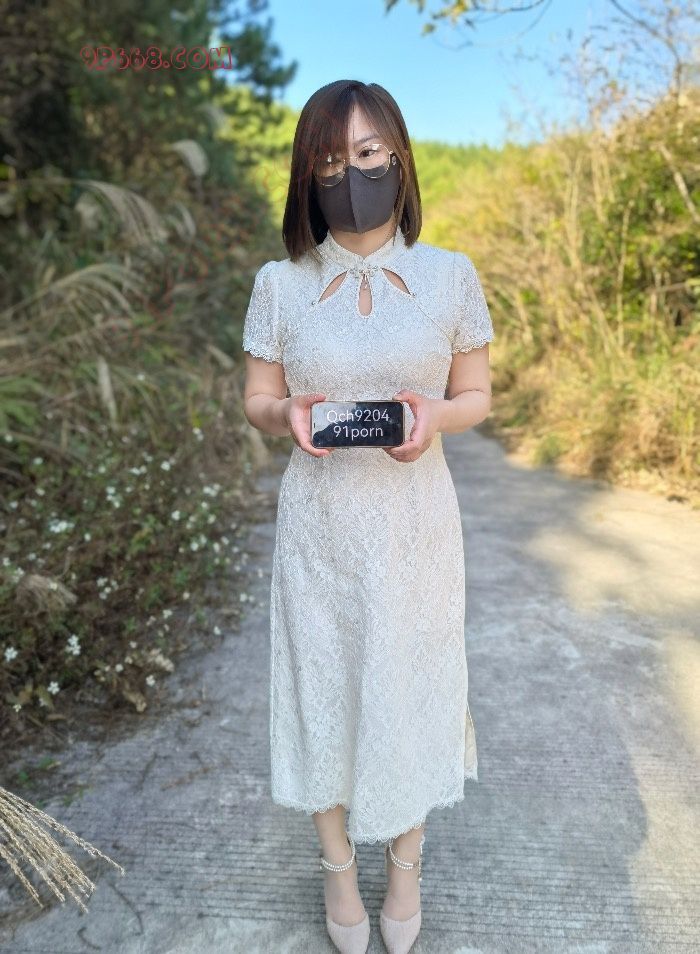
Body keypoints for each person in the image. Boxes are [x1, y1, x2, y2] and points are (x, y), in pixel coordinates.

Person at [241, 79, 494, 954]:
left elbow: (476, 394)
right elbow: (258, 399)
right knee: (322, 686)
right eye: (327, 160)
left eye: (367, 153)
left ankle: (408, 865)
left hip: (417, 522)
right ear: (305, 176)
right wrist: (286, 413)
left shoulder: (451, 276)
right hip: (319, 525)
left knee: (414, 683)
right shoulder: (279, 284)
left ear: (400, 159)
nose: (349, 173)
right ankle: (338, 869)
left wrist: (436, 416)